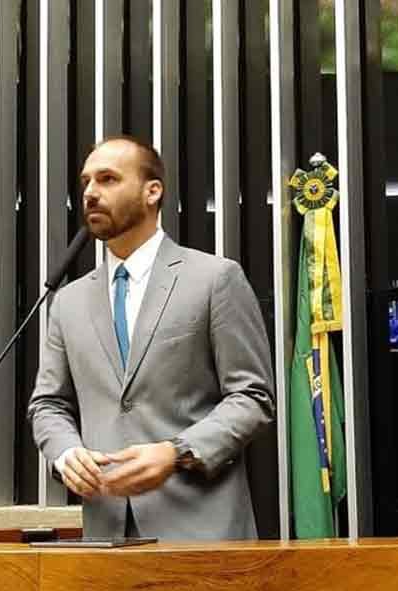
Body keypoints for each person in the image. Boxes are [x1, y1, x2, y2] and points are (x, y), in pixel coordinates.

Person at [28, 135, 275, 540]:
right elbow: (48, 404)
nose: (90, 192)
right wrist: (66, 453)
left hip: (203, 534)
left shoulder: (215, 279)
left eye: (108, 179)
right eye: (86, 181)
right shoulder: (68, 301)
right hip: (105, 534)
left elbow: (253, 396)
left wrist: (176, 451)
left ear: (152, 192)